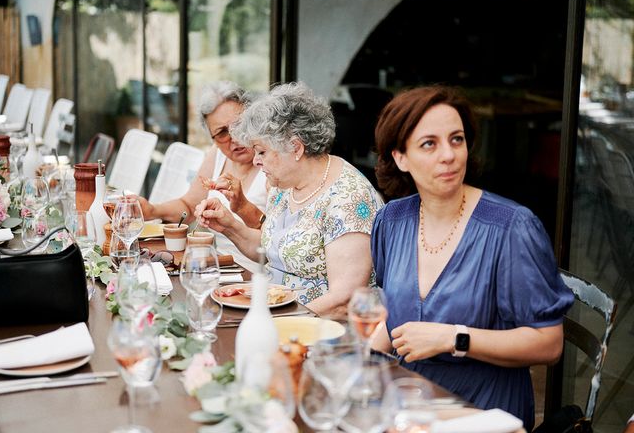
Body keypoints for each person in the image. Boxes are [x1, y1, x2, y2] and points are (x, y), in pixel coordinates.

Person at [370, 85, 574, 430]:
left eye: (457, 139)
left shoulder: (512, 228)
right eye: (429, 144)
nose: (449, 155)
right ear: (400, 157)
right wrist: (362, 364)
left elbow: (550, 344)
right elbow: (391, 315)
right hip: (411, 404)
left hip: (484, 411)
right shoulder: (391, 221)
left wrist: (455, 338)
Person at [195, 82, 383, 315]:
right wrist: (229, 226)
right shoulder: (283, 186)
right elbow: (271, 250)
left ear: (295, 147)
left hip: (319, 331)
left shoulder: (349, 197)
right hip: (273, 312)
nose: (256, 161)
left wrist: (274, 323)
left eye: (262, 151)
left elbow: (344, 298)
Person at [134, 81, 267, 271]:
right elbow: (189, 206)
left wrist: (242, 208)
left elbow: (275, 237)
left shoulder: (271, 162)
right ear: (212, 138)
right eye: (222, 133)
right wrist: (153, 210)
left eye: (240, 125)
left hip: (254, 273)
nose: (235, 138)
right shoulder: (218, 154)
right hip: (217, 265)